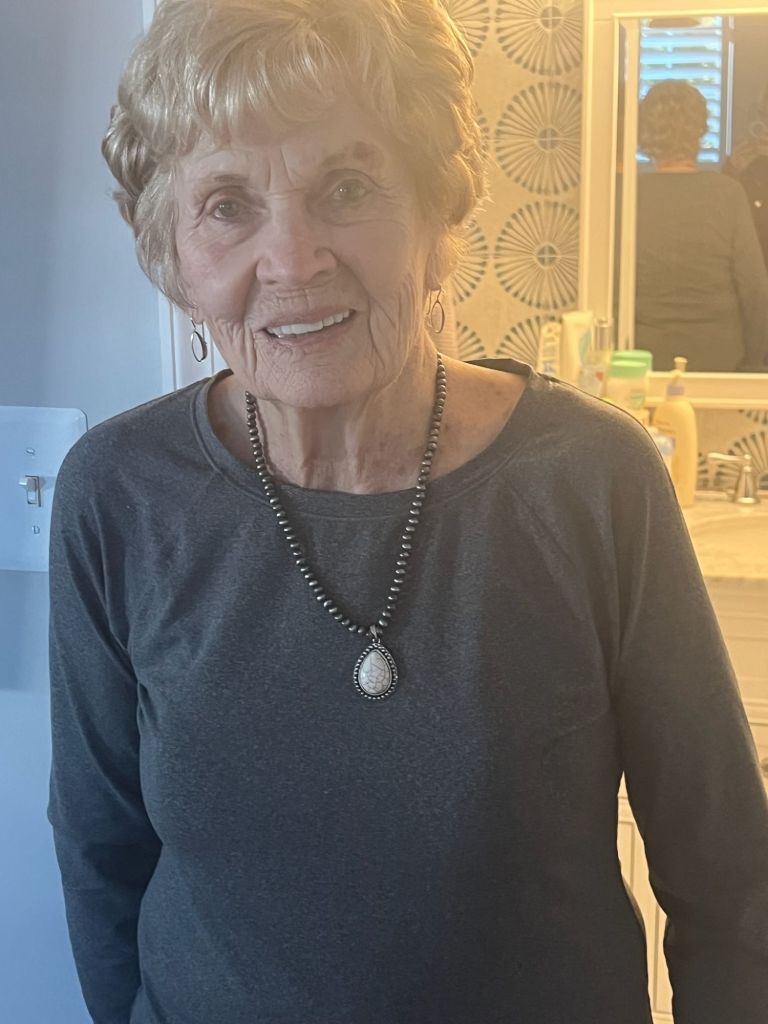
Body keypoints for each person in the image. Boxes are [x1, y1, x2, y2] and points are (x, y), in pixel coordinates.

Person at [48, 3, 768, 1023]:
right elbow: (101, 851)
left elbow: (728, 877)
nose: (292, 260)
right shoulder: (116, 494)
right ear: (174, 255)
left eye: (346, 189)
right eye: (227, 205)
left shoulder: (593, 481)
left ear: (439, 217)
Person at [635, 79, 768, 371]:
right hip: (721, 362)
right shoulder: (728, 193)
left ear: (645, 132)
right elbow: (754, 290)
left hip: (644, 360)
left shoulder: (628, 196)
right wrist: (754, 366)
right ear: (700, 129)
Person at [724, 83, 768, 272]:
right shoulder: (745, 156)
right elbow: (724, 211)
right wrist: (733, 170)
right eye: (763, 113)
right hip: (752, 259)